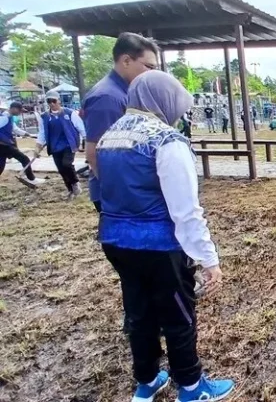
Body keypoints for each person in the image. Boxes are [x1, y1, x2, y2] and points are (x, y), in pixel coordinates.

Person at [97, 70, 235, 402]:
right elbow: (185, 211)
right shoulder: (166, 141)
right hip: (159, 246)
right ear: (163, 99)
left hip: (115, 241)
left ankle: (146, 381)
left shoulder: (109, 137)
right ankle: (191, 386)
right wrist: (208, 259)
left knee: (139, 311)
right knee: (177, 315)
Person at [83, 32, 159, 213]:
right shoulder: (107, 98)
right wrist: (126, 193)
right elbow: (95, 154)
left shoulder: (126, 92)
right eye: (149, 66)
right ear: (126, 61)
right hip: (119, 195)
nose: (153, 74)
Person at [35, 91, 87, 199]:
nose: (52, 103)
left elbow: (80, 127)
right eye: (49, 101)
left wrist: (85, 140)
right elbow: (42, 133)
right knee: (61, 169)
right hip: (55, 147)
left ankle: (75, 183)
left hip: (69, 144)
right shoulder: (44, 117)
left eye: (54, 101)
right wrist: (37, 147)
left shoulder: (69, 113)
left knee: (67, 164)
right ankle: (70, 189)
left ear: (58, 100)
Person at [0, 102, 42, 185]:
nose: (20, 113)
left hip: (4, 145)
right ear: (14, 108)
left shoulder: (9, 117)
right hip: (4, 145)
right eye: (19, 110)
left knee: (1, 165)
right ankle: (31, 179)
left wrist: (27, 134)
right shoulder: (4, 117)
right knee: (24, 159)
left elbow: (15, 129)